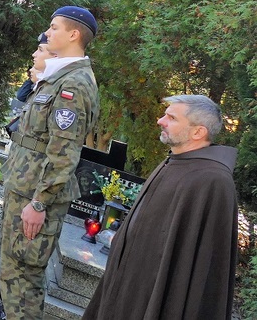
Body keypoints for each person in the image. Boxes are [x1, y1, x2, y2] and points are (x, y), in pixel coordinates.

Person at [0, 6, 99, 320]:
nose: (48, 32)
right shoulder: (60, 76)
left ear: (74, 34)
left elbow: (64, 154)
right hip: (25, 187)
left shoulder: (74, 85)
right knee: (15, 268)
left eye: (55, 27)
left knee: (24, 275)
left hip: (35, 195)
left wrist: (40, 203)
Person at [82, 95, 237, 320]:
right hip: (130, 287)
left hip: (158, 297)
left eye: (171, 117)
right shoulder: (175, 163)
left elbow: (199, 267)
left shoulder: (212, 181)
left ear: (198, 132)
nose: (160, 121)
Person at [0, 34, 57, 317]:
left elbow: (62, 151)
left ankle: (10, 310)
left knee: (26, 263)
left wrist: (39, 201)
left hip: (34, 184)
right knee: (14, 254)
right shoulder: (42, 87)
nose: (35, 54)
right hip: (23, 178)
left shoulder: (64, 88)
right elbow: (18, 111)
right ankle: (8, 306)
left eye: (41, 48)